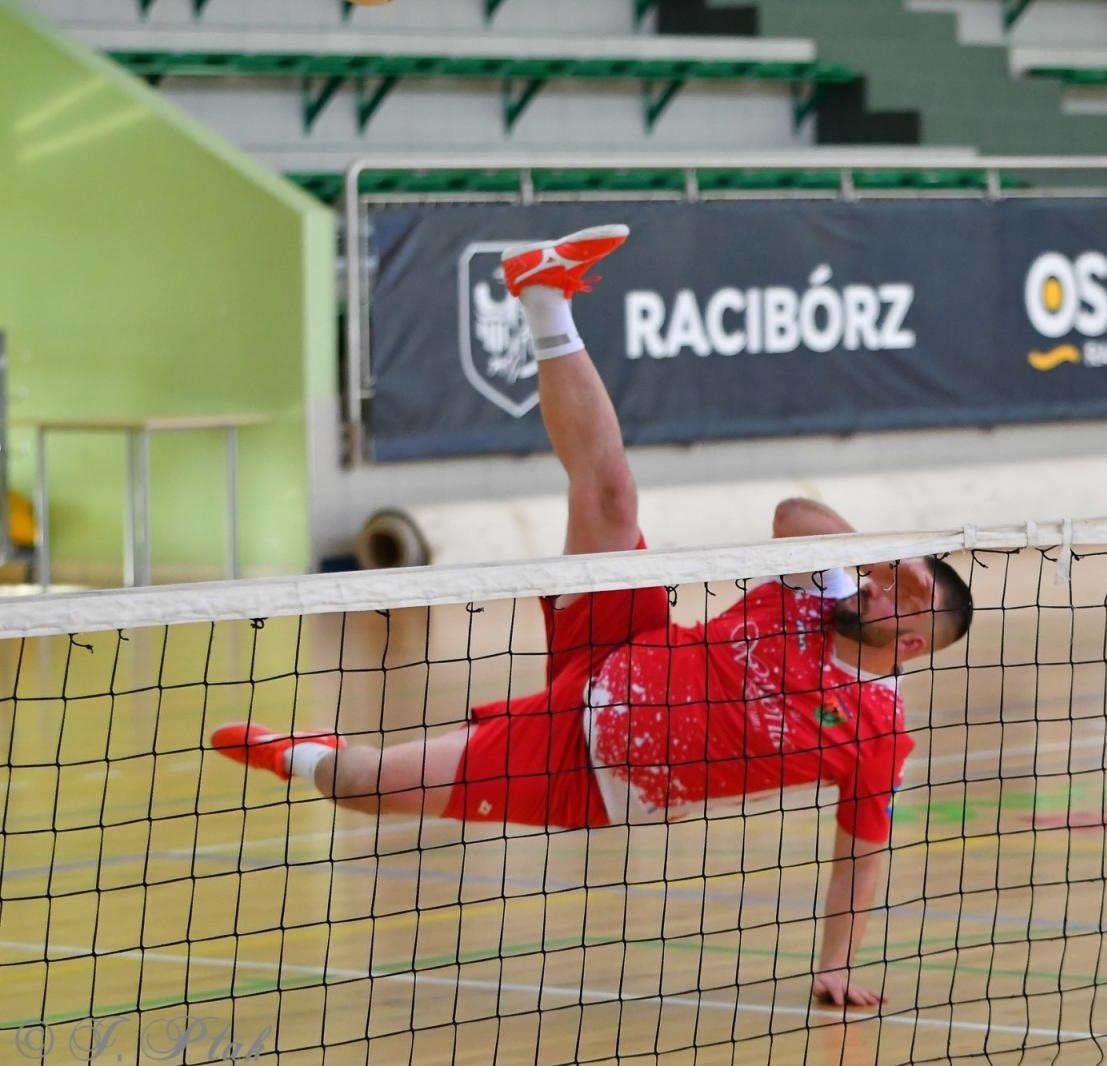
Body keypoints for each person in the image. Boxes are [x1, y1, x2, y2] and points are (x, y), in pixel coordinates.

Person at [209, 224, 974, 1007]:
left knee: (362, 785)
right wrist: (889, 557)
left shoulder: (879, 734)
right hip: (625, 639)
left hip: (589, 764)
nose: (883, 588)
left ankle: (303, 755)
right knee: (610, 492)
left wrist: (836, 965)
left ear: (912, 642)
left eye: (902, 599)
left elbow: (859, 856)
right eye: (892, 577)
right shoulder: (827, 589)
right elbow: (793, 511)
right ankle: (543, 291)